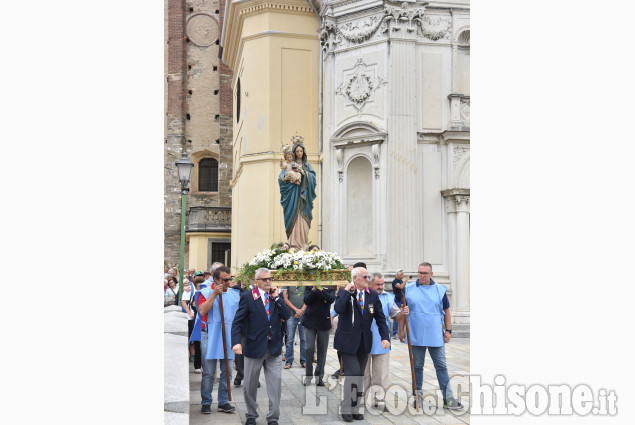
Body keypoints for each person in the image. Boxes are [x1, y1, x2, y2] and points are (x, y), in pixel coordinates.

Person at [399, 262, 463, 410]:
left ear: (431, 274)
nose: (421, 275)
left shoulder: (439, 290)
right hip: (415, 333)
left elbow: (447, 311)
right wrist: (401, 330)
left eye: (425, 273)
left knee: (441, 366)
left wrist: (448, 330)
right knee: (417, 367)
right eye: (420, 272)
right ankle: (418, 397)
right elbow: (402, 311)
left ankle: (448, 398)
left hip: (435, 335)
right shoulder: (408, 289)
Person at [231, 268, 291, 425]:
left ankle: (273, 417)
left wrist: (278, 298)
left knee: (275, 384)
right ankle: (251, 415)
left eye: (269, 279)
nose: (267, 282)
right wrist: (236, 342)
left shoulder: (275, 297)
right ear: (256, 281)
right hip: (253, 347)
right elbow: (237, 322)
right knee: (250, 385)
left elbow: (286, 316)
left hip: (274, 348)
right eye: (264, 279)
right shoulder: (248, 297)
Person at [333, 267, 390, 422]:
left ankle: (355, 408)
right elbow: (338, 308)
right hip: (347, 342)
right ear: (355, 278)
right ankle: (346, 408)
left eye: (368, 276)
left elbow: (380, 318)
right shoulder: (347, 294)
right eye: (365, 277)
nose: (368, 279)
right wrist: (345, 291)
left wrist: (385, 337)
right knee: (353, 372)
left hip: (364, 342)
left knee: (359, 375)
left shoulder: (372, 296)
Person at [363, 272, 409, 411]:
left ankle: (379, 401)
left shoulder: (388, 297)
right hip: (363, 341)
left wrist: (403, 312)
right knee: (363, 374)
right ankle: (360, 402)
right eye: (377, 284)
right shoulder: (362, 296)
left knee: (381, 375)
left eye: (382, 284)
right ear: (369, 284)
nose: (380, 287)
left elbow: (397, 317)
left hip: (382, 342)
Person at [197, 266, 239, 414]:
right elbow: (202, 310)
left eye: (230, 279)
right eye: (225, 279)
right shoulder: (204, 292)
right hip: (210, 334)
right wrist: (214, 294)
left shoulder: (235, 294)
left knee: (227, 371)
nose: (228, 282)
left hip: (228, 335)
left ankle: (223, 401)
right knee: (208, 371)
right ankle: (206, 401)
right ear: (215, 279)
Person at [277, 137, 317, 250]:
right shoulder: (290, 163)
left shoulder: (307, 164)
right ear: (294, 153)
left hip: (304, 199)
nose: (299, 153)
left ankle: (303, 245)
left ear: (303, 152)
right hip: (292, 198)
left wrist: (304, 173)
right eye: (297, 151)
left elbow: (313, 178)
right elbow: (281, 178)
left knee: (304, 222)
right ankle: (292, 244)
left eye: (301, 151)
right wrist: (285, 178)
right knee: (293, 220)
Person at [302, 284, 336, 386]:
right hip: (310, 320)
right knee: (309, 348)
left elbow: (330, 299)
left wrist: (320, 290)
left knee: (322, 350)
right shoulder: (309, 285)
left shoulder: (330, 285)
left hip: (323, 321)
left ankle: (319, 377)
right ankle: (308, 376)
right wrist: (314, 290)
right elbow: (307, 300)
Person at [184, 272, 205, 373]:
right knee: (198, 343)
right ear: (196, 287)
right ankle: (197, 365)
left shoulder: (206, 295)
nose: (200, 288)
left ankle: (205, 365)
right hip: (197, 321)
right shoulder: (195, 295)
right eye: (199, 286)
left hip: (206, 321)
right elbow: (193, 306)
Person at [282, 285, 306, 369]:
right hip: (291, 314)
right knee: (289, 339)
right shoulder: (289, 281)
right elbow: (285, 298)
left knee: (304, 339)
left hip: (303, 314)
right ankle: (288, 361)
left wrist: (301, 310)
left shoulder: (305, 282)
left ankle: (304, 361)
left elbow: (307, 298)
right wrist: (296, 310)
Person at [391, 269, 407, 339]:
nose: (403, 276)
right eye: (402, 274)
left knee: (403, 315)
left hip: (402, 299)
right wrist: (407, 280)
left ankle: (402, 332)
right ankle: (395, 333)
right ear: (398, 275)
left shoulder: (401, 281)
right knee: (397, 315)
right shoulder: (395, 281)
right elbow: (401, 287)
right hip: (397, 300)